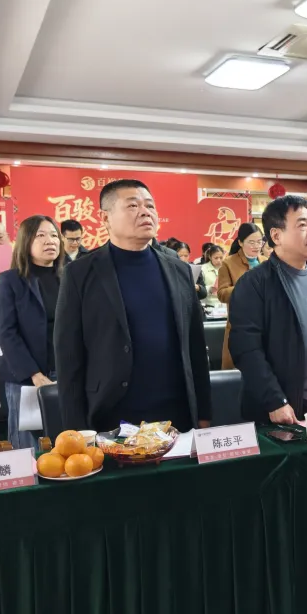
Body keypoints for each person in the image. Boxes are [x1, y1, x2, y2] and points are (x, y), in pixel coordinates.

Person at [54, 179, 211, 432]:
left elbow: (195, 345)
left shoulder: (179, 270)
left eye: (150, 205)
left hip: (176, 413)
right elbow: (68, 356)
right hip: (111, 413)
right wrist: (76, 428)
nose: (145, 212)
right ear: (105, 217)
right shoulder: (80, 273)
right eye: (133, 205)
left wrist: (203, 412)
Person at [228, 196, 307, 421]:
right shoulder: (255, 283)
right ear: (276, 235)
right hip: (283, 406)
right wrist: (275, 400)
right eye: (302, 225)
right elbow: (247, 350)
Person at [0, 216, 63, 450]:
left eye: (53, 235)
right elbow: (5, 330)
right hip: (26, 376)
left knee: (65, 441)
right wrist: (34, 374)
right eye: (40, 235)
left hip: (65, 373)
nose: (49, 241)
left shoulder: (69, 277)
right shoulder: (12, 280)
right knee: (28, 445)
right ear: (26, 241)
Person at [217, 222, 264, 369]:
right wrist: (245, 287)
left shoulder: (266, 262)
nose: (257, 246)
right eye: (251, 242)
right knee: (239, 372)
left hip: (264, 325)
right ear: (240, 242)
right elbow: (222, 294)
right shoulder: (228, 263)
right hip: (239, 326)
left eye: (259, 242)